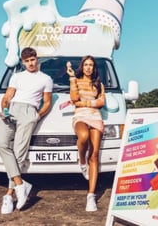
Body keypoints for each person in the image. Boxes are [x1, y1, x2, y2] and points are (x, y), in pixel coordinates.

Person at [0, 47, 53, 214]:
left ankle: (9, 195)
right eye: (27, 61)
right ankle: (21, 184)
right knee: (0, 144)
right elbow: (7, 96)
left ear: (37, 59)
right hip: (12, 110)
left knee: (19, 153)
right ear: (23, 62)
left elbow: (47, 102)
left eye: (33, 60)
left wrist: (36, 116)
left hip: (29, 111)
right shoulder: (17, 76)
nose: (31, 63)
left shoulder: (46, 79)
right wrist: (4, 109)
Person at [66, 55, 105, 212]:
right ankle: (82, 161)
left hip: (96, 117)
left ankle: (91, 196)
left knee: (94, 154)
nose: (88, 67)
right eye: (86, 64)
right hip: (81, 116)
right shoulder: (75, 80)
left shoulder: (98, 84)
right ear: (81, 66)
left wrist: (86, 102)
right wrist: (71, 78)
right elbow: (74, 98)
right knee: (83, 137)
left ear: (94, 68)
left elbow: (101, 103)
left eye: (91, 65)